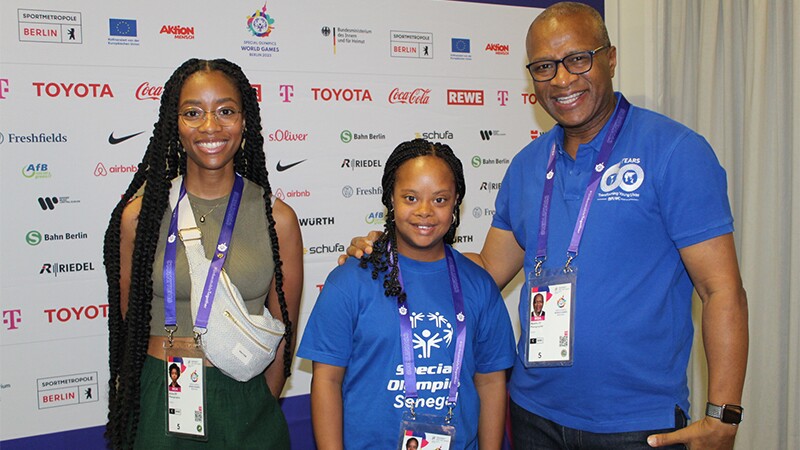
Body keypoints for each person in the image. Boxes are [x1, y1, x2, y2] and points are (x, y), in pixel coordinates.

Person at [341, 3, 748, 449]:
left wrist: (722, 417)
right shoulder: (527, 167)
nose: (562, 79)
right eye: (544, 67)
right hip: (533, 414)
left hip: (636, 425)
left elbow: (721, 289)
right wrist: (393, 256)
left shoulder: (675, 151)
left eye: (578, 59)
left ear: (610, 58)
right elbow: (485, 270)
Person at [103, 58, 302, 449]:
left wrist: (261, 397)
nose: (210, 126)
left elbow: (284, 331)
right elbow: (130, 322)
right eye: (193, 112)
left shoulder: (277, 218)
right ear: (173, 125)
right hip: (162, 395)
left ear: (245, 121)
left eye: (225, 111)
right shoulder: (138, 218)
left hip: (245, 399)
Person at [300, 139, 516, 450]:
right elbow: (327, 380)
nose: (425, 211)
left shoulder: (478, 285)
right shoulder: (349, 282)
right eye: (411, 198)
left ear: (456, 202)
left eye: (440, 199)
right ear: (390, 198)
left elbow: (491, 381)